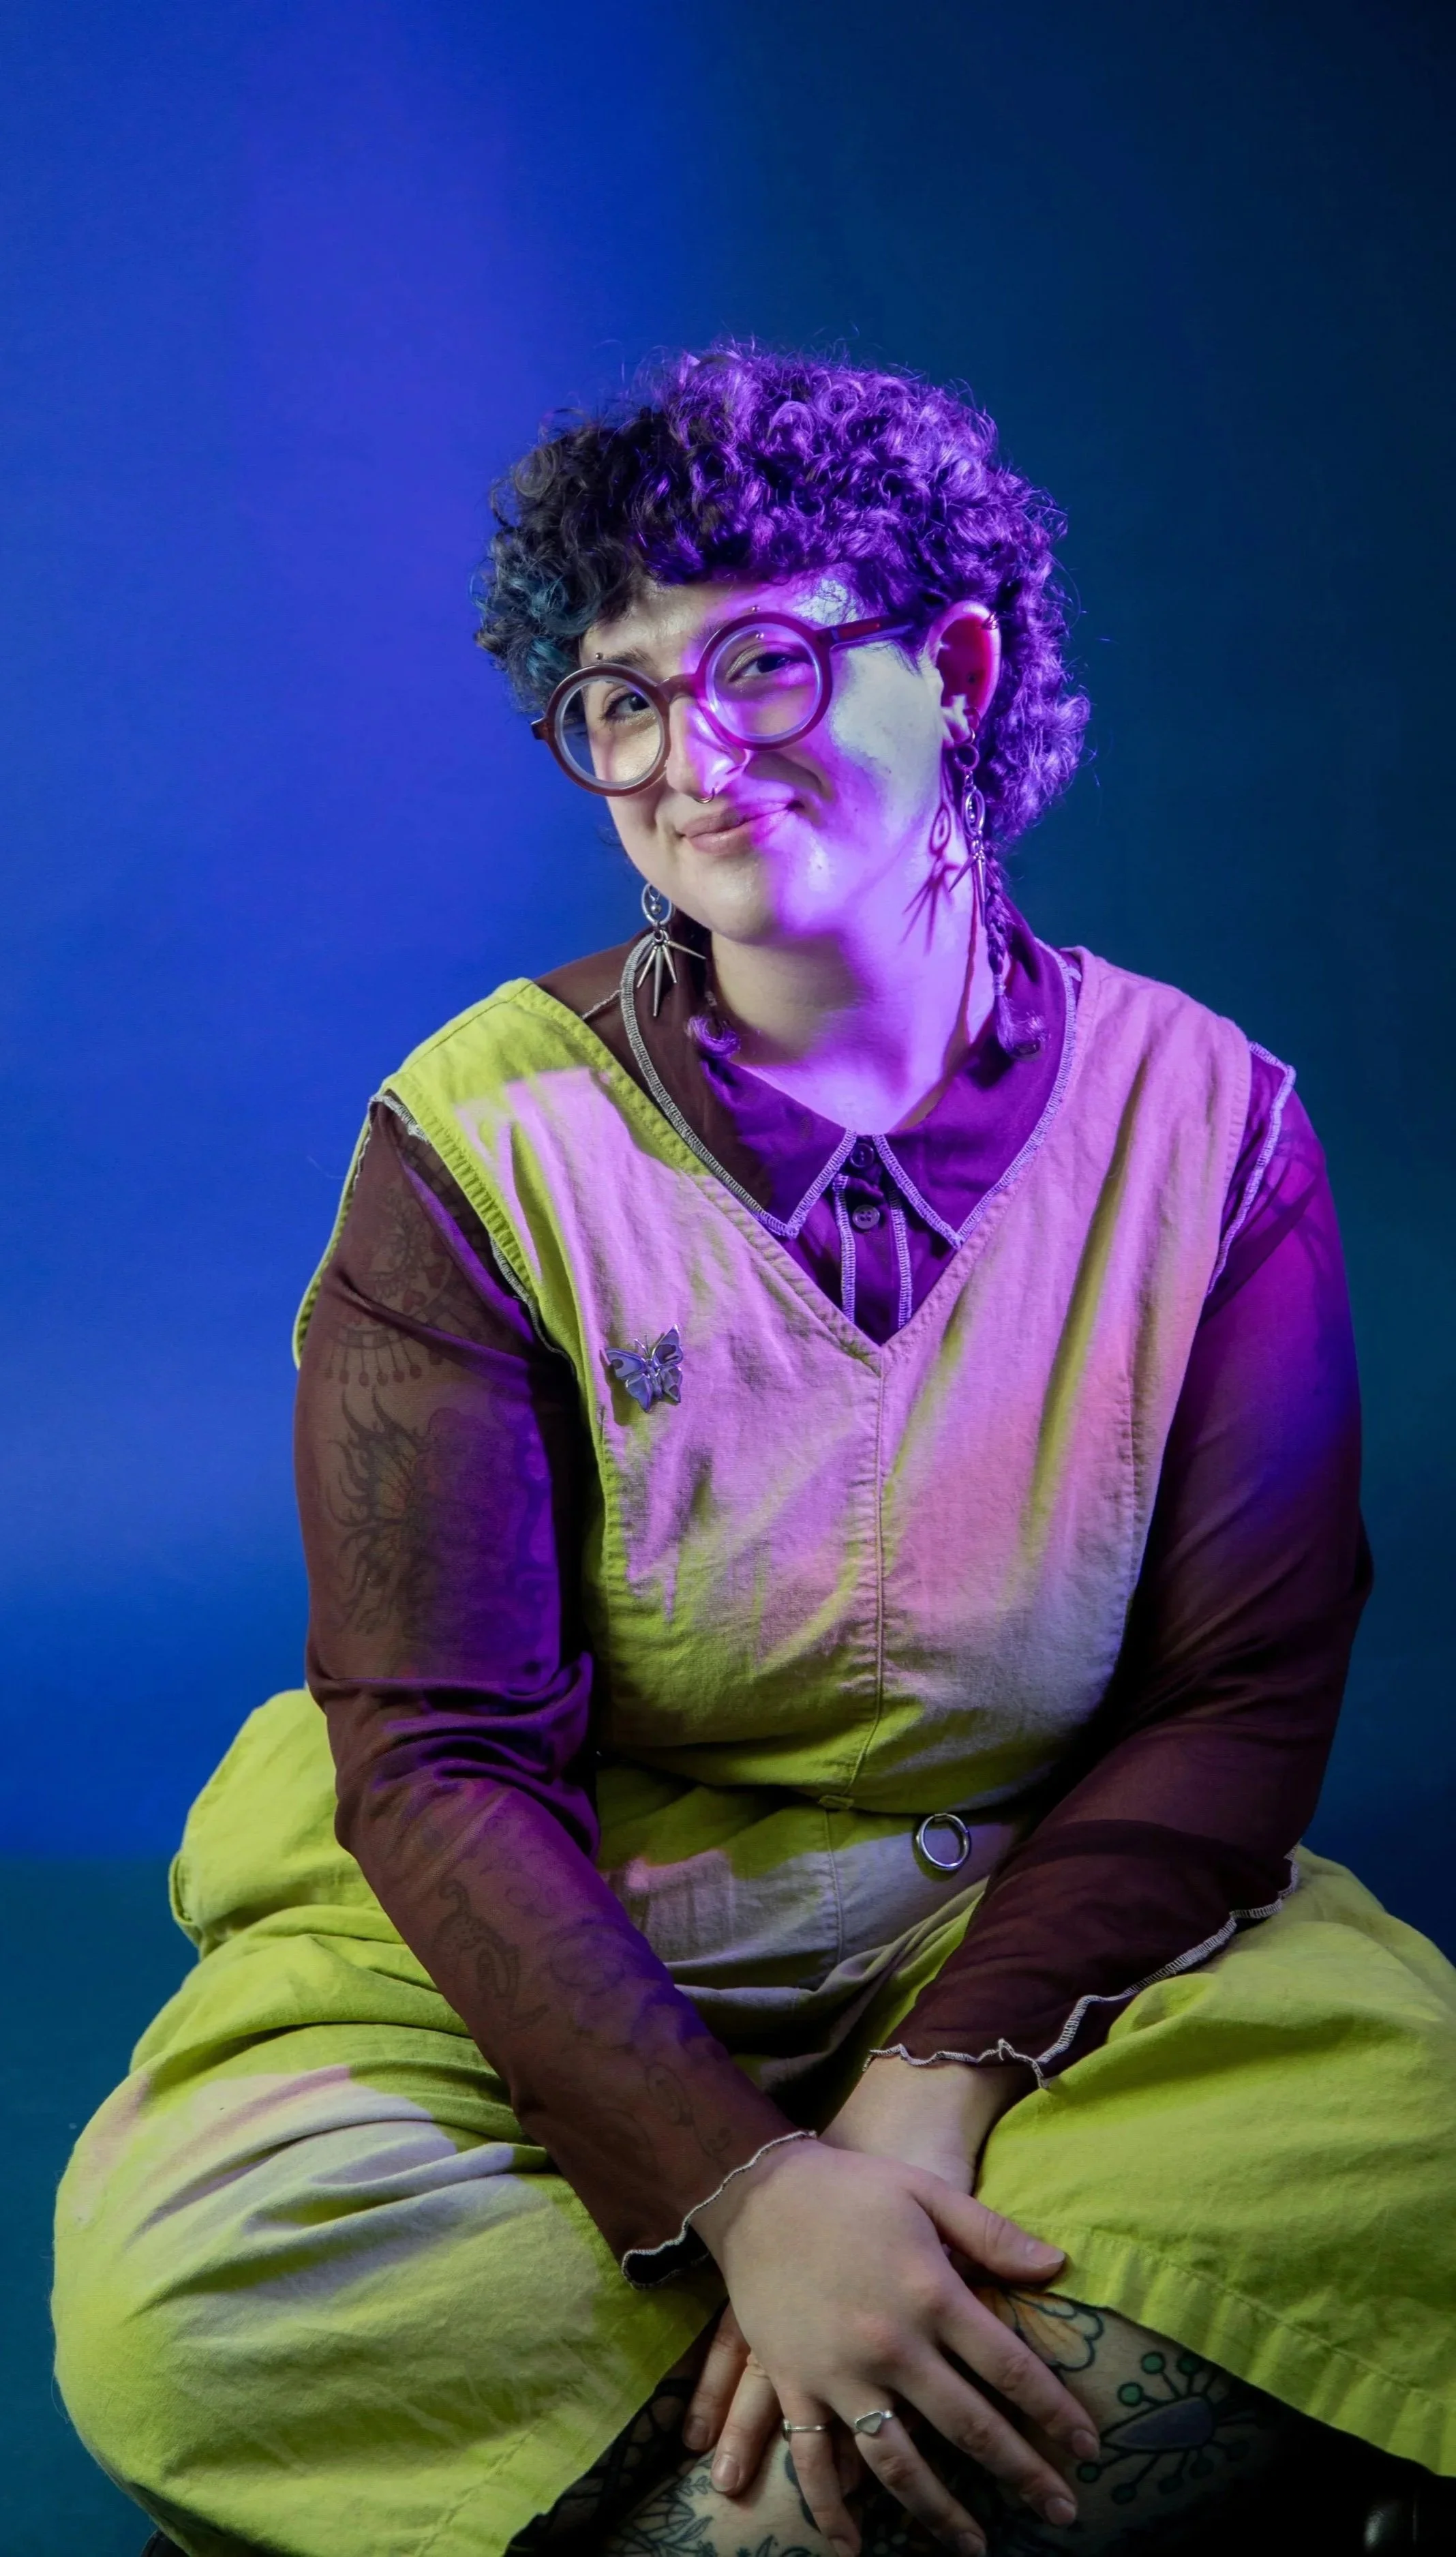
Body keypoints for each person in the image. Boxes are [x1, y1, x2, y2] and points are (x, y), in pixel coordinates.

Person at [53, 348, 1456, 2557]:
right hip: (559, 1913)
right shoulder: (471, 1141)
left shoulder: (1214, 1125)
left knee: (1414, 2147)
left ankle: (701, 2491)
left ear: (959, 666)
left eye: (766, 664)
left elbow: (1234, 1697)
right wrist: (744, 2185)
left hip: (1024, 1892)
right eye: (620, 699)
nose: (690, 756)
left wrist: (931, 2087)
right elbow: (434, 1756)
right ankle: (963, 2461)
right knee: (199, 2302)